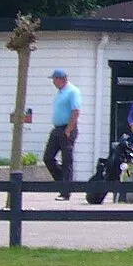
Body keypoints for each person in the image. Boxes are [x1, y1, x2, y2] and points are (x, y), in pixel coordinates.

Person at [45, 69, 82, 200]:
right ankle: (63, 183)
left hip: (67, 128)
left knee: (67, 160)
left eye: (55, 79)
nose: (53, 82)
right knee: (48, 157)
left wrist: (69, 129)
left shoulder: (72, 91)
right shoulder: (60, 93)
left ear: (62, 79)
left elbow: (76, 111)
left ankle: (66, 192)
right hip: (57, 128)